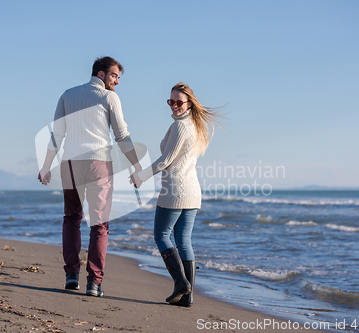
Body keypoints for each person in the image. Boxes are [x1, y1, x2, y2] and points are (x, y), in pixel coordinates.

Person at [39, 56, 141, 297]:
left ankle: (71, 276)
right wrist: (137, 166)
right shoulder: (109, 97)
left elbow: (57, 135)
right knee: (99, 224)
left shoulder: (67, 94)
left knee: (71, 218)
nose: (117, 81)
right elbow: (122, 136)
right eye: (115, 76)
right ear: (101, 74)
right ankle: (94, 283)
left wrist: (45, 167)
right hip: (98, 164)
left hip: (70, 164)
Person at [130, 82, 222, 306]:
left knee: (161, 235)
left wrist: (141, 176)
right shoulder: (193, 125)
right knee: (184, 240)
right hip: (192, 192)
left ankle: (181, 283)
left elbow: (165, 160)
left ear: (189, 103)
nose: (174, 106)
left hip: (175, 190)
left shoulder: (181, 126)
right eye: (171, 101)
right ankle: (187, 296)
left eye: (179, 102)